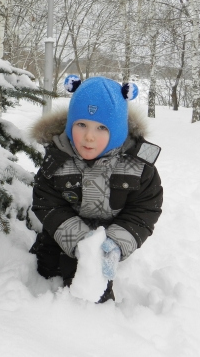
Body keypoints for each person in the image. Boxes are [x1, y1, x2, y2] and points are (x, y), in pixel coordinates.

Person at [29, 75, 163, 303]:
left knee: (96, 292)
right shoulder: (58, 157)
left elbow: (145, 209)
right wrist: (80, 240)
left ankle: (97, 324)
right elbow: (46, 202)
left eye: (102, 127)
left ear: (119, 129)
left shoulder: (138, 165)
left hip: (110, 234)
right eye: (81, 124)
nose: (89, 137)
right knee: (45, 273)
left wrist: (117, 242)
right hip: (64, 231)